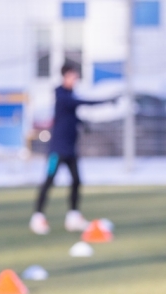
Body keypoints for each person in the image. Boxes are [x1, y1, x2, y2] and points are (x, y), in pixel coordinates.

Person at [30, 62, 114, 235]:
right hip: (57, 149)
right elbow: (79, 103)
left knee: (76, 180)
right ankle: (38, 217)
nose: (75, 80)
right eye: (73, 76)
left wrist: (83, 125)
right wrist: (106, 101)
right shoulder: (61, 94)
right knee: (48, 181)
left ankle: (73, 216)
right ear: (65, 76)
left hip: (70, 149)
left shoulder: (70, 94)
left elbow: (71, 116)